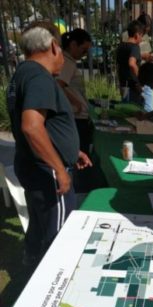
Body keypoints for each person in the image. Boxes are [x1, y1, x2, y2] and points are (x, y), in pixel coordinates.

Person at [6, 21, 92, 267]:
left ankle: (32, 263)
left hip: (33, 165)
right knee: (59, 234)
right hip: (47, 172)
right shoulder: (38, 76)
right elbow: (32, 126)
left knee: (40, 222)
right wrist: (58, 168)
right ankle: (53, 277)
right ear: (54, 46)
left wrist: (70, 150)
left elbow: (46, 126)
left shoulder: (23, 73)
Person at [57, 28, 95, 192]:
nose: (85, 54)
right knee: (80, 156)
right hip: (76, 117)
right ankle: (80, 189)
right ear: (73, 44)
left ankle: (80, 187)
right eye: (83, 49)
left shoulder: (68, 61)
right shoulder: (67, 62)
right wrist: (77, 103)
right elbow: (59, 86)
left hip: (78, 116)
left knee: (80, 154)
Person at [116, 20, 144, 107]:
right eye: (141, 36)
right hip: (133, 87)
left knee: (125, 110)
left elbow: (119, 65)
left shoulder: (121, 46)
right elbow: (131, 63)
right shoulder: (135, 47)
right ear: (137, 35)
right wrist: (139, 81)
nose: (141, 39)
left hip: (123, 85)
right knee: (135, 112)